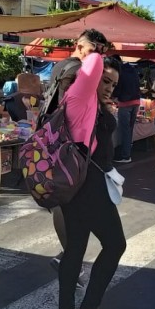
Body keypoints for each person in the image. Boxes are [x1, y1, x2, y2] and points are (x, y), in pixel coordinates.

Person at [56, 53, 126, 309]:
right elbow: (95, 61)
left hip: (78, 185)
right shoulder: (81, 96)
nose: (109, 86)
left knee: (75, 249)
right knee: (115, 245)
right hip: (90, 186)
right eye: (105, 80)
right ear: (92, 77)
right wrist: (94, 48)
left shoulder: (91, 103)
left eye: (113, 83)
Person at [41, 29, 108, 285]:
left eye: (101, 52)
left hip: (61, 144)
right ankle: (70, 258)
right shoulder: (74, 68)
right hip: (67, 146)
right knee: (64, 204)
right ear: (79, 46)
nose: (97, 57)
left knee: (67, 204)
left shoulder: (64, 66)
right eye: (93, 50)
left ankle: (69, 258)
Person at [112, 55, 141, 164]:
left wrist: (114, 97)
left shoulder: (120, 73)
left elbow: (117, 90)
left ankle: (126, 155)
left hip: (125, 104)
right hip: (136, 103)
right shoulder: (132, 70)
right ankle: (127, 150)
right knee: (129, 129)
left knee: (124, 130)